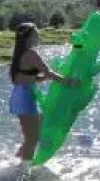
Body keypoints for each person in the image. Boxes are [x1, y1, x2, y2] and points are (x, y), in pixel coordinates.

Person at [9, 22, 76, 161]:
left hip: (21, 94)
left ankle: (16, 162)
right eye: (36, 32)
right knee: (32, 139)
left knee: (33, 135)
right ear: (29, 36)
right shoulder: (31, 53)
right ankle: (23, 171)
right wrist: (67, 81)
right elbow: (49, 73)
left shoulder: (20, 53)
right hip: (25, 97)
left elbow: (24, 78)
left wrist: (41, 79)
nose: (38, 34)